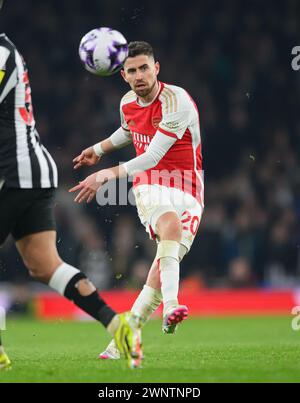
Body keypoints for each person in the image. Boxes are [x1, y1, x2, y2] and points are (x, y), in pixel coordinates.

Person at [0, 0, 142, 370]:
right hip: (32, 170)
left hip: (13, 171)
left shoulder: (0, 51)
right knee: (44, 264)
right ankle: (117, 323)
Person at [70, 41, 204, 359]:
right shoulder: (127, 102)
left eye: (145, 67)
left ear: (156, 68)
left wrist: (106, 174)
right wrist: (99, 149)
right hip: (150, 183)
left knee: (159, 271)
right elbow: (129, 131)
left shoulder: (177, 102)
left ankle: (122, 341)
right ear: (124, 76)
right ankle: (171, 306)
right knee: (168, 225)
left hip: (189, 188)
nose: (139, 74)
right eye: (132, 70)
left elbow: (155, 151)